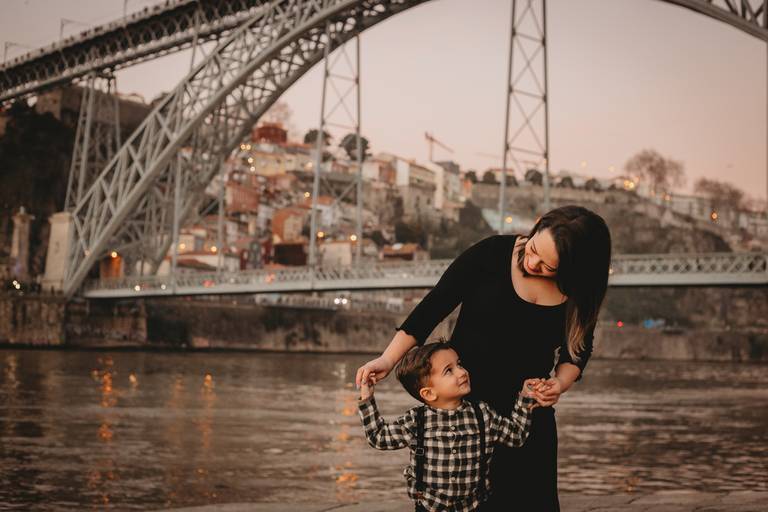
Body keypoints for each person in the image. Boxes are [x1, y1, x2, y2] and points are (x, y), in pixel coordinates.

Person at [355, 205, 612, 511]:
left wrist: (559, 383)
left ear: (573, 272)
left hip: (526, 416)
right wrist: (387, 360)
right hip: (464, 409)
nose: (531, 263)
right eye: (532, 249)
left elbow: (577, 352)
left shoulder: (579, 294)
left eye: (547, 266)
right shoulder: (490, 254)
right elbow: (432, 308)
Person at [358, 341, 543, 511]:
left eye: (459, 364)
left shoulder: (482, 415)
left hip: (474, 506)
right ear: (429, 393)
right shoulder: (416, 420)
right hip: (429, 506)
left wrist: (525, 398)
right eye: (449, 370)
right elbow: (378, 437)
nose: (462, 372)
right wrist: (367, 398)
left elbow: (516, 436)